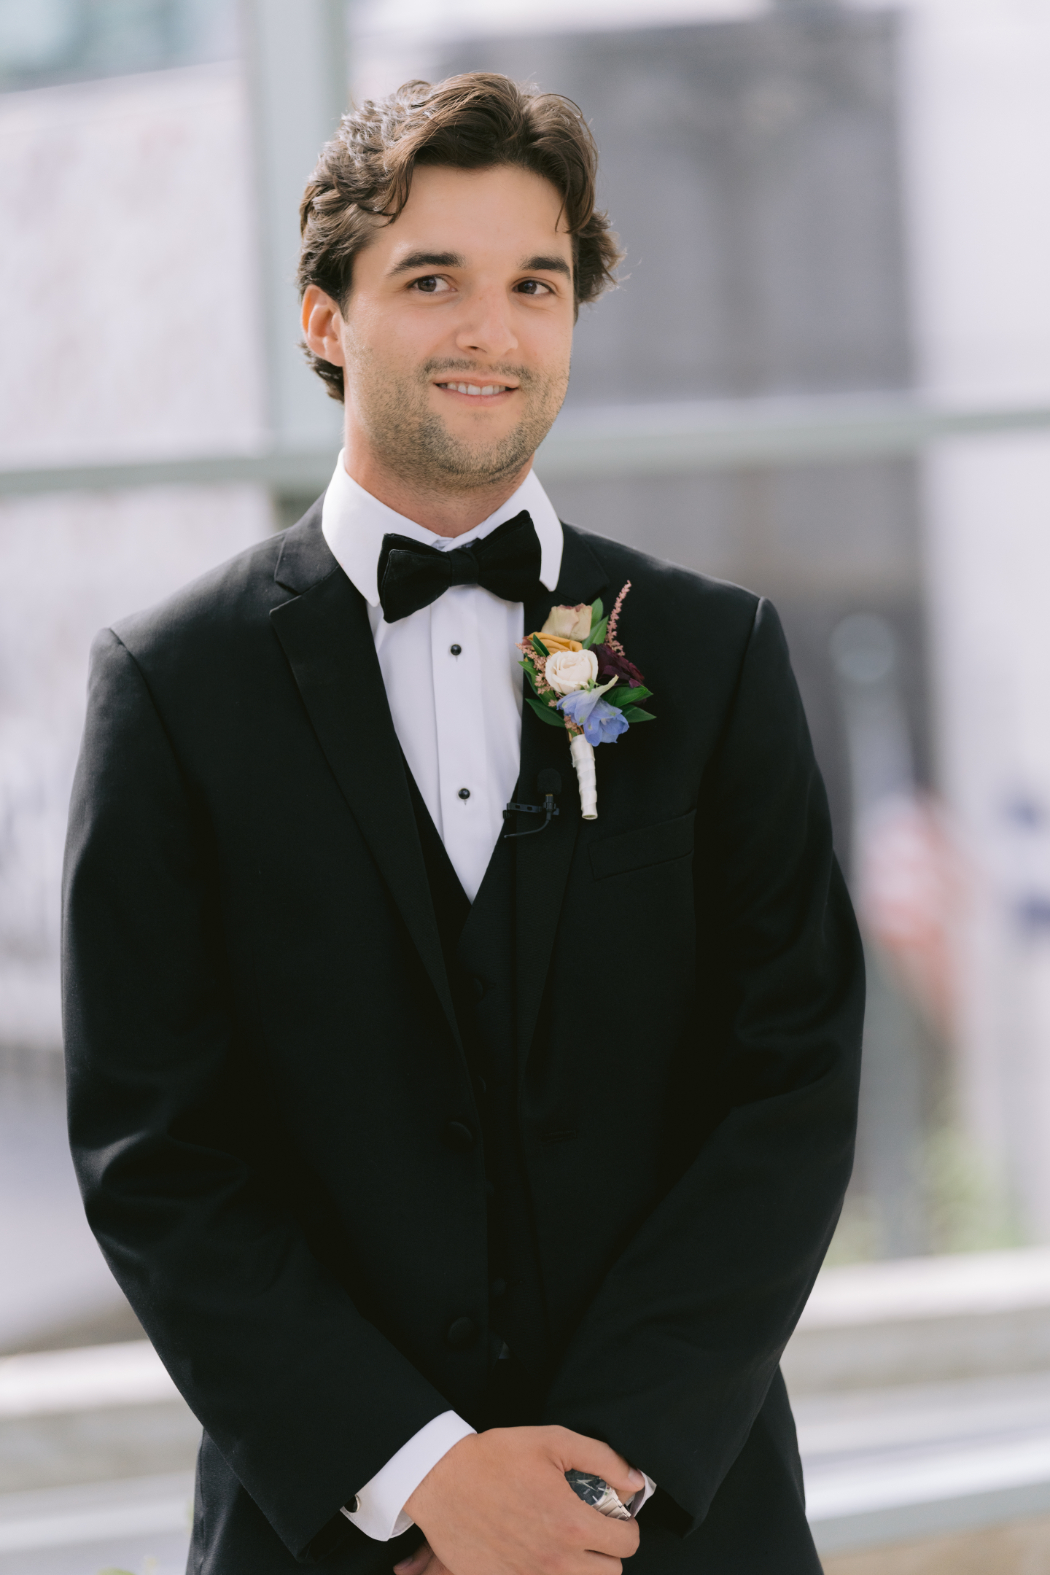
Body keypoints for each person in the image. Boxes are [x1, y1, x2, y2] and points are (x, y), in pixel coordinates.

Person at [63, 72, 863, 1575]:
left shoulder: (710, 655)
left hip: (677, 1525)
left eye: (533, 284)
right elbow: (156, 1150)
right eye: (431, 278)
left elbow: (791, 1085)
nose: (490, 330)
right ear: (324, 315)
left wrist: (593, 1477)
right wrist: (420, 1476)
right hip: (329, 1532)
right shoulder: (169, 687)